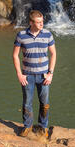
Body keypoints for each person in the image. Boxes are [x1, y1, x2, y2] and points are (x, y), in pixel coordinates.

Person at [12, 10, 56, 138]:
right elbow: (15, 55)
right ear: (31, 22)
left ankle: (43, 127)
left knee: (45, 103)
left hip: (44, 76)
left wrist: (50, 73)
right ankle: (27, 126)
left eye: (42, 21)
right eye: (38, 22)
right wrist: (19, 74)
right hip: (28, 76)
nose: (42, 24)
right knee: (27, 103)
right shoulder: (21, 35)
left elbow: (53, 54)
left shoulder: (48, 34)